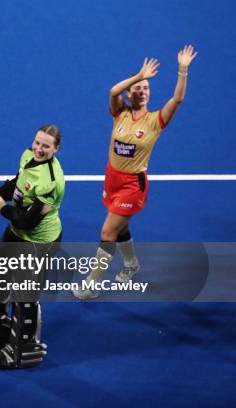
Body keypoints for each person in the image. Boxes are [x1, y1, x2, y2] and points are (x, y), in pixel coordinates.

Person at [72, 45, 197, 300]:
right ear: (130, 93)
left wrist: (182, 70)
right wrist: (140, 76)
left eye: (146, 88)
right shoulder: (120, 113)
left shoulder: (156, 120)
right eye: (138, 88)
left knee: (108, 232)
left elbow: (178, 99)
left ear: (150, 95)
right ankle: (131, 265)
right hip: (112, 178)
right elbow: (113, 91)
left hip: (132, 185)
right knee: (120, 227)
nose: (142, 91)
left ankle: (91, 286)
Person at [0, 125, 65, 369]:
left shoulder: (51, 181)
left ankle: (24, 348)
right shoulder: (28, 155)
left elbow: (28, 221)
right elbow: (18, 183)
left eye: (46, 146)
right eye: (37, 143)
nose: (39, 149)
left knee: (24, 291)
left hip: (38, 240)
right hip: (17, 231)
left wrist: (1, 208)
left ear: (56, 149)